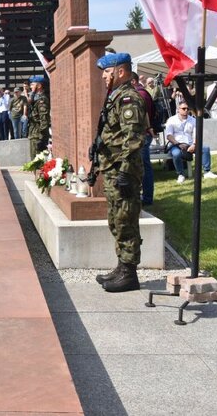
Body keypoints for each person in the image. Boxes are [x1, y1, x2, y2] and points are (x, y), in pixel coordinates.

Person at [93, 52, 148, 293]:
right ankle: (121, 266)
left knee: (126, 220)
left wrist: (125, 172)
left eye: (107, 71)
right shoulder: (116, 97)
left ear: (120, 71)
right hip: (113, 168)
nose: (104, 76)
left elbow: (133, 138)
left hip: (123, 171)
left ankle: (129, 273)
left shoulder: (129, 99)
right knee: (116, 220)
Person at [164, 103, 217, 183]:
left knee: (205, 149)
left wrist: (194, 144)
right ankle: (181, 174)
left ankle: (207, 172)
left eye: (187, 108)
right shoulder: (171, 120)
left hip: (190, 144)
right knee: (176, 154)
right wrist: (178, 144)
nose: (186, 110)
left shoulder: (193, 120)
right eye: (183, 108)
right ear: (178, 109)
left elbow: (197, 134)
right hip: (176, 144)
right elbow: (169, 135)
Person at [131, 72, 155, 206]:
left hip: (142, 135)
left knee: (144, 167)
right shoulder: (139, 93)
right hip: (142, 133)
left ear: (133, 82)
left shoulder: (141, 94)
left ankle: (147, 198)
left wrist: (149, 128)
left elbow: (144, 114)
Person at [27, 75, 51, 154]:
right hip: (34, 133)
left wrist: (41, 138)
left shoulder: (42, 100)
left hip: (38, 135)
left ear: (39, 85)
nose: (30, 87)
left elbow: (44, 120)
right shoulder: (36, 98)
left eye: (32, 84)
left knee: (36, 161)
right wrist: (32, 93)